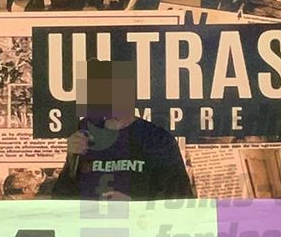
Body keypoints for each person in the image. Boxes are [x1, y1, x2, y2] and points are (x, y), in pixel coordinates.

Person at [49, 60, 193, 201]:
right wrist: (71, 160)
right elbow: (61, 199)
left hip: (138, 217)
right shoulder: (85, 134)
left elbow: (180, 199)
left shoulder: (157, 139)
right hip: (89, 216)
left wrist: (134, 207)